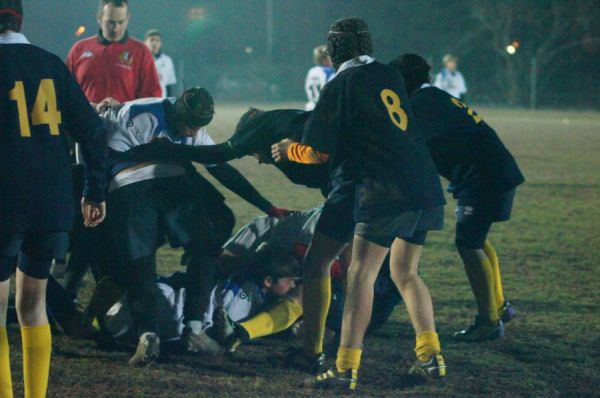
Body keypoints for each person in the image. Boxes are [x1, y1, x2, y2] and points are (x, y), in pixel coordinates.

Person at [271, 17, 447, 390]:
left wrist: (288, 150)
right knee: (406, 273)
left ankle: (345, 368)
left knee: (359, 275)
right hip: (424, 187)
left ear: (334, 50)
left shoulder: (341, 83)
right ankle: (431, 356)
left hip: (382, 190)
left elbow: (318, 153)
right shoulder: (390, 74)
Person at [102, 87, 286, 366]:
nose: (191, 133)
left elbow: (221, 166)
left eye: (198, 128)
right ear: (176, 112)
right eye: (189, 126)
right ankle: (187, 329)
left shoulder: (172, 120)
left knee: (177, 255)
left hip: (141, 187)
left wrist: (266, 205)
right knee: (190, 252)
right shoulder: (134, 113)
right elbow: (101, 152)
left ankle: (159, 332)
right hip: (142, 186)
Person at [0, 1, 108, 396]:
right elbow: (94, 132)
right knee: (33, 307)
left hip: (5, 200)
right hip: (50, 201)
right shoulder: (49, 63)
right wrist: (94, 191)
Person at [390, 53, 525, 341]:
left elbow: (407, 143)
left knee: (468, 244)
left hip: (483, 178)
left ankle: (489, 322)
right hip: (491, 172)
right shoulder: (434, 97)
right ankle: (499, 306)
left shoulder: (422, 105)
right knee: (476, 240)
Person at [61, 0, 163, 300]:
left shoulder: (140, 53)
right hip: (82, 150)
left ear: (127, 19)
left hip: (122, 155)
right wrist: (86, 107)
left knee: (111, 224)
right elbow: (65, 93)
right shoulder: (80, 50)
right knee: (83, 220)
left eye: (120, 22)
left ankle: (111, 293)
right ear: (99, 18)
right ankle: (72, 289)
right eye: (110, 22)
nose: (116, 28)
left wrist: (123, 106)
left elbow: (153, 99)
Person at [99, 243, 300, 346]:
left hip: (160, 301)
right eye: (289, 281)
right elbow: (220, 320)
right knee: (116, 323)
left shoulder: (247, 284)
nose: (292, 286)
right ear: (268, 281)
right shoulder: (246, 297)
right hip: (165, 311)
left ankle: (100, 314)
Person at [144, 29, 177, 99]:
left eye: (158, 40)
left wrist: (170, 104)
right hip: (143, 101)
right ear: (145, 42)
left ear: (161, 43)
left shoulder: (167, 61)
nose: (155, 43)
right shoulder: (139, 60)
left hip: (160, 101)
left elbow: (169, 86)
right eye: (152, 40)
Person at [304, 45, 335, 111]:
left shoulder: (311, 71)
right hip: (323, 109)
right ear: (324, 59)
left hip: (311, 107)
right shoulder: (329, 72)